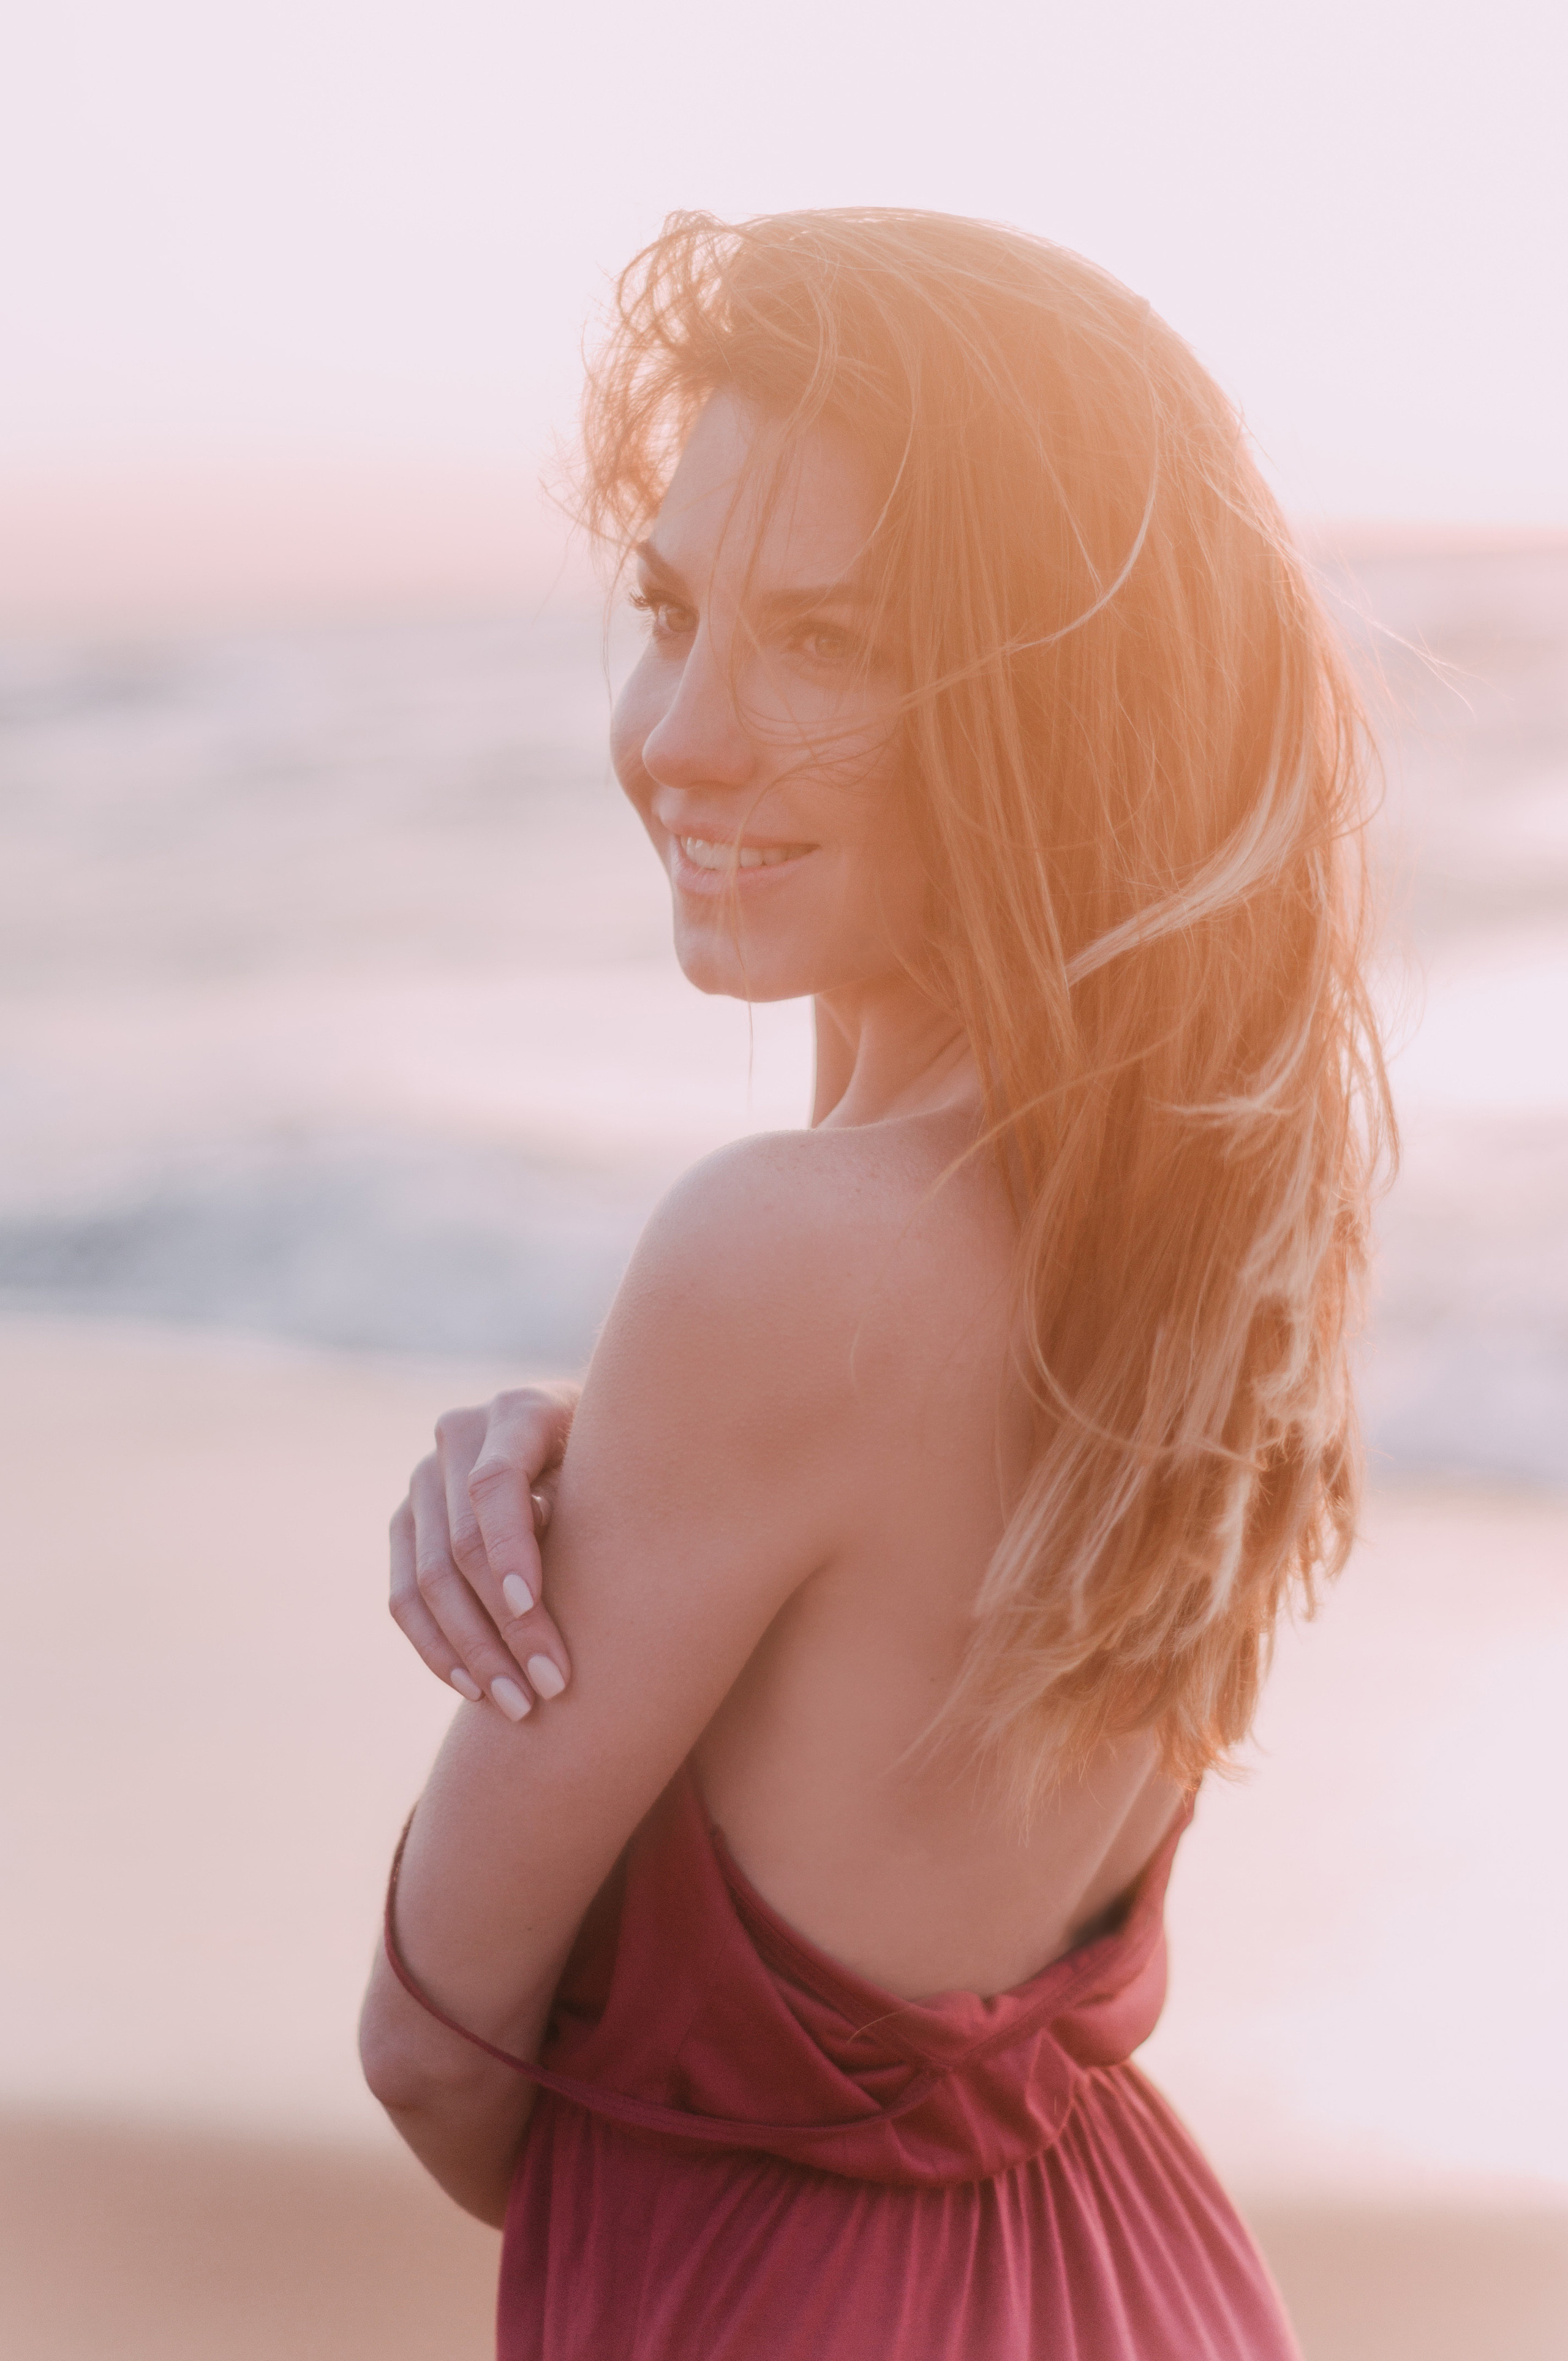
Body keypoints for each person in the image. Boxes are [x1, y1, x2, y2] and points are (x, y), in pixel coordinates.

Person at [358, 208, 1390, 2359]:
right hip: (1144, 2282)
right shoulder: (1223, 1232)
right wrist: (603, 1477)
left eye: (828, 642)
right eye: (669, 608)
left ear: (1050, 714)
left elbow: (438, 2055)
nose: (681, 735)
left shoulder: (781, 1259)